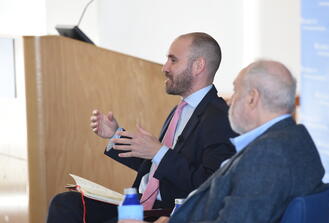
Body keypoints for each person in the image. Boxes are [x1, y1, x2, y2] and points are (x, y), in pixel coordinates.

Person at [47, 32, 237, 223]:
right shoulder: (180, 109)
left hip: (168, 212)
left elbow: (209, 183)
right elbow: (155, 165)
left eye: (173, 60)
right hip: (142, 203)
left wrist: (160, 152)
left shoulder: (219, 117)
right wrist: (115, 135)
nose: (165, 67)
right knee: (65, 203)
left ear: (198, 66)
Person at [119, 59, 326, 223]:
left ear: (252, 98)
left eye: (236, 91)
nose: (229, 100)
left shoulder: (268, 154)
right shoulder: (296, 138)